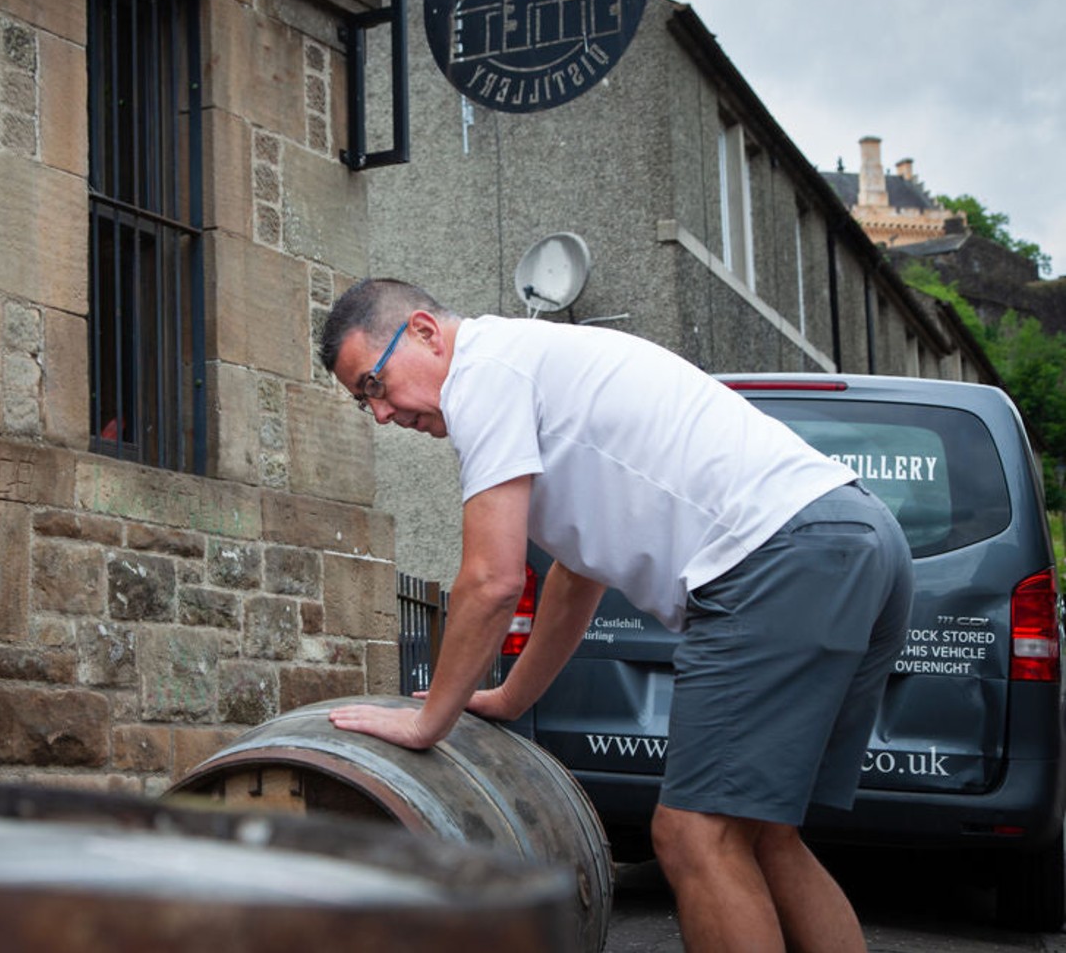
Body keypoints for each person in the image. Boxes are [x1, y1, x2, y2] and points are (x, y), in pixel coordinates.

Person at [319, 277, 912, 953]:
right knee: (766, 835)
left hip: (780, 556)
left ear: (424, 331)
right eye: (362, 402)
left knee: (692, 835)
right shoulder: (534, 369)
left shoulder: (483, 373)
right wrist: (511, 696)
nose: (381, 415)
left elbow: (491, 580)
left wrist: (430, 722)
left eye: (373, 384)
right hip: (857, 538)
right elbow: (577, 576)